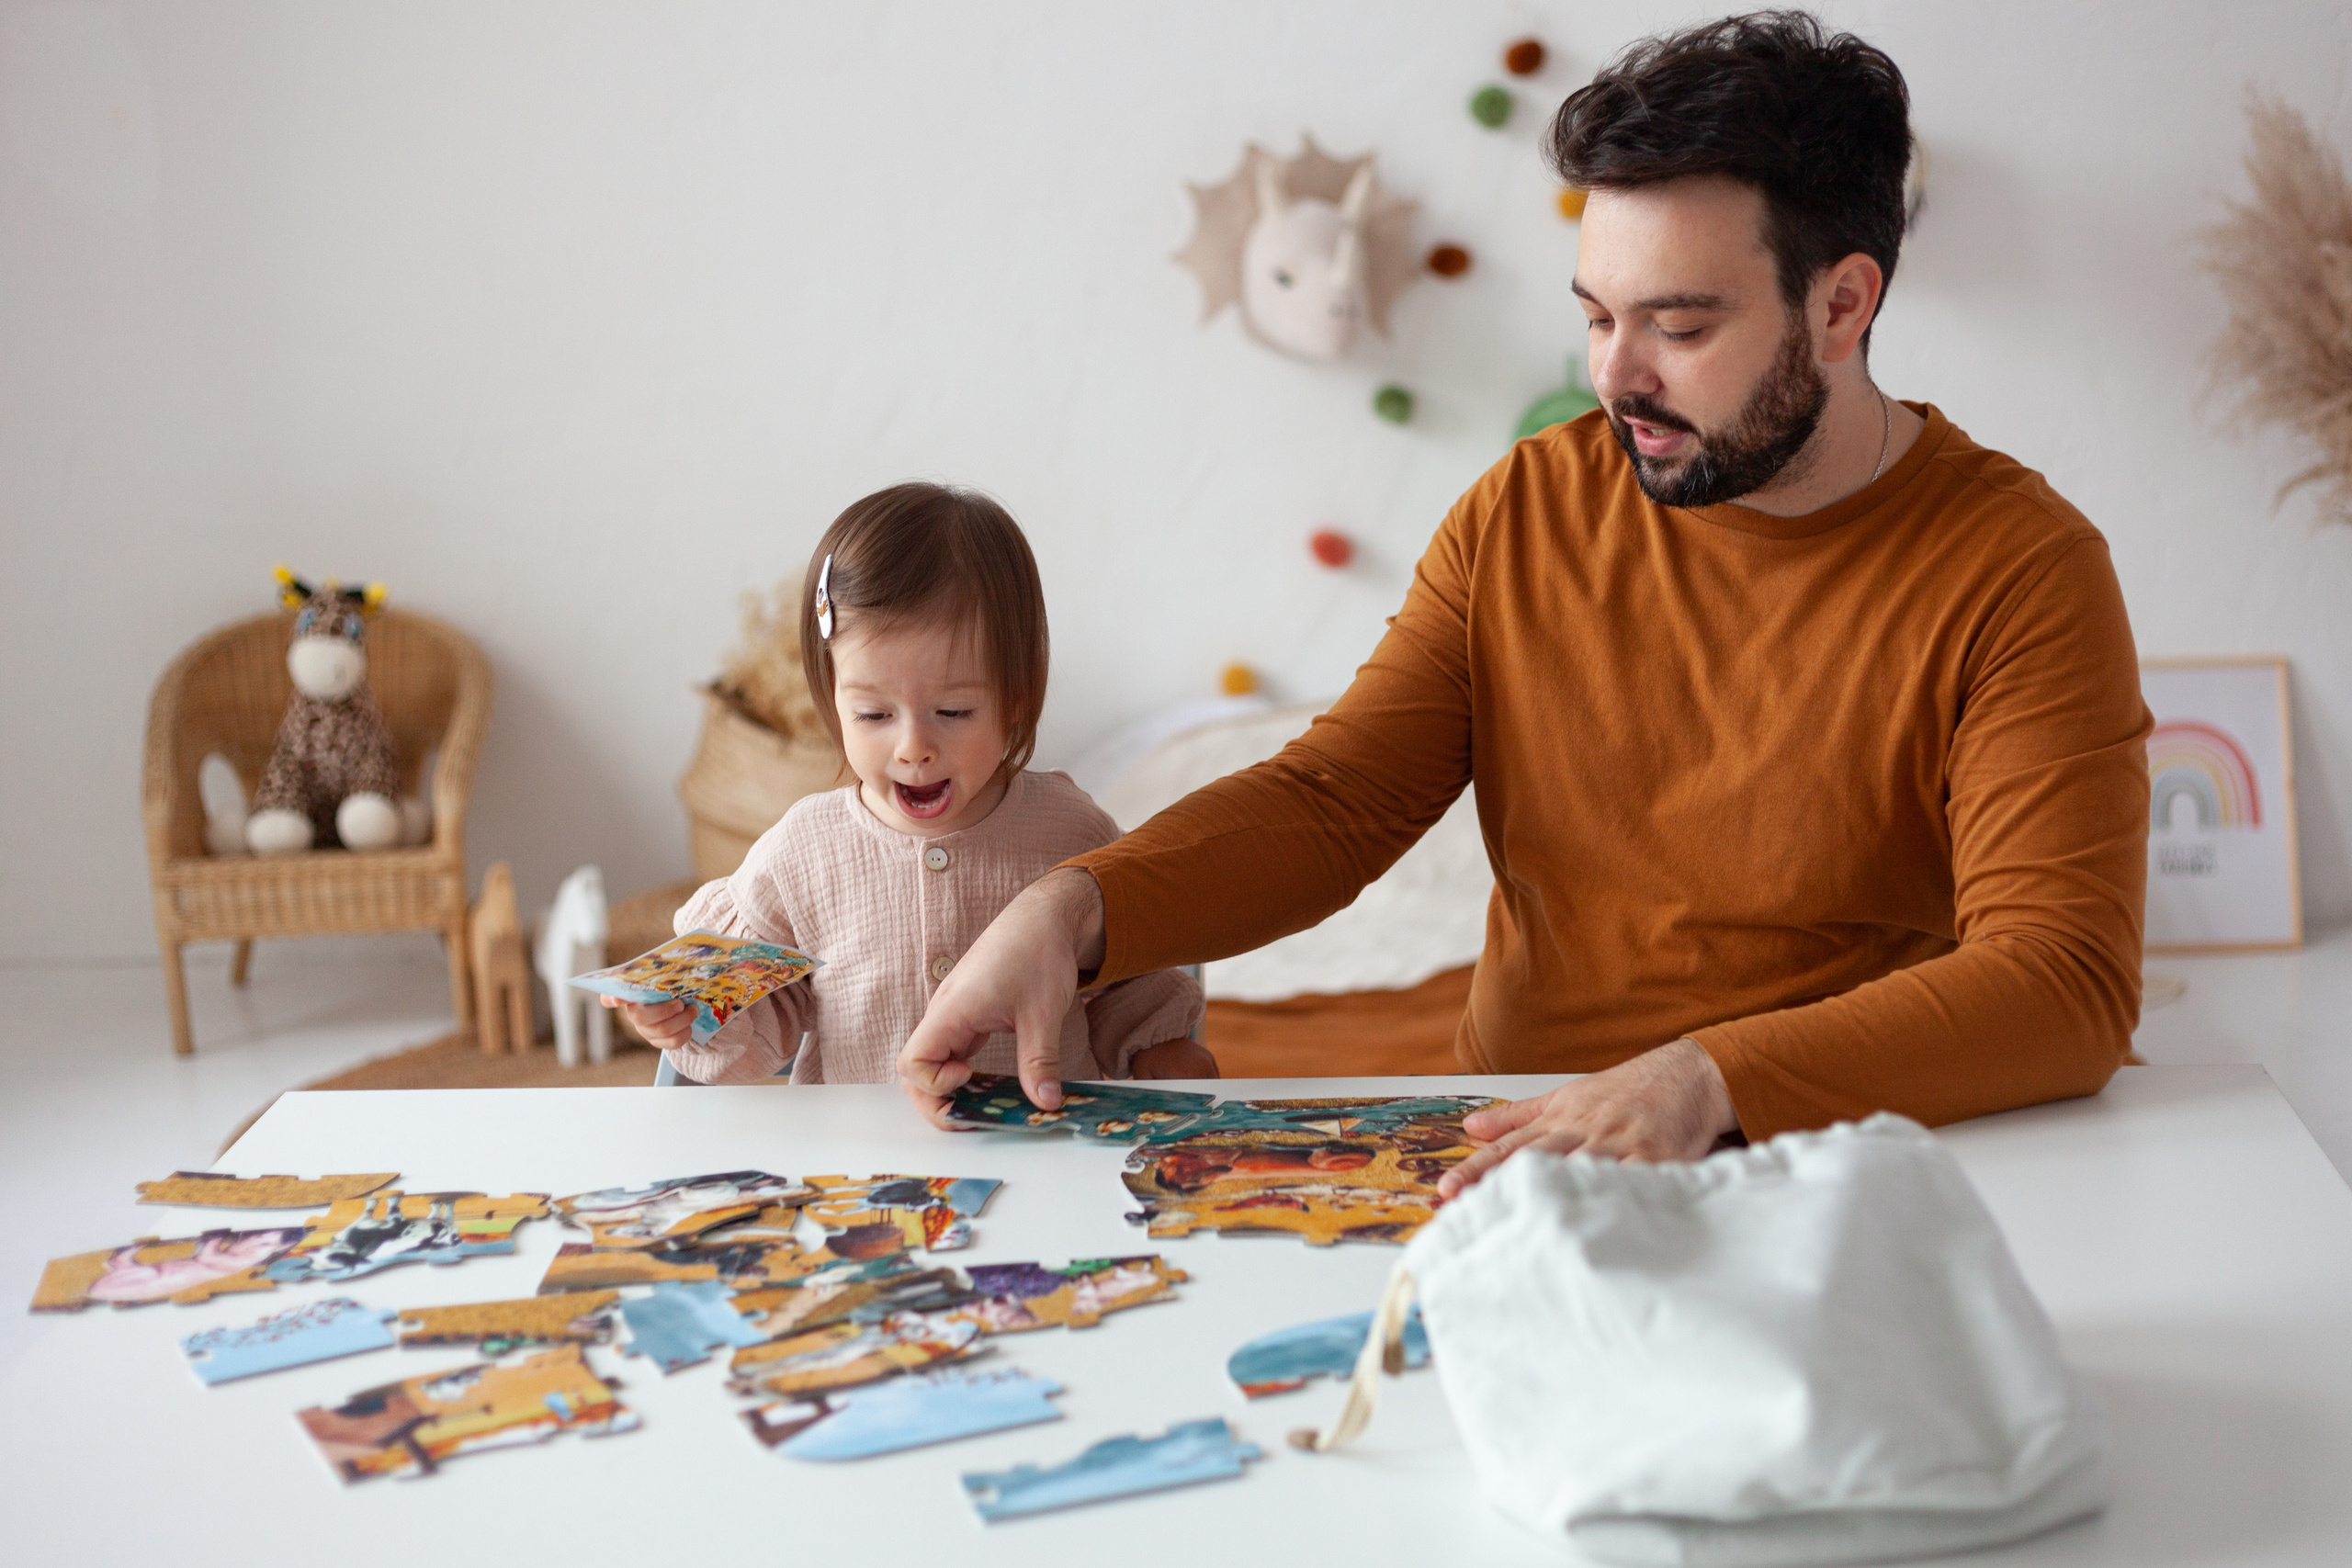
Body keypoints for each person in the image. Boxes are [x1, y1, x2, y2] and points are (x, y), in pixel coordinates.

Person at [899, 11, 2151, 1190]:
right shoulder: (1529, 508)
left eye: (1679, 323)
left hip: (1835, 1161)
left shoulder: (2022, 569)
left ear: (1840, 304)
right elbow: (1342, 797)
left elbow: (2063, 978)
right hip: (1521, 1147)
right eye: (1598, 315)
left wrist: (1706, 1075)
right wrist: (1074, 908)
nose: (1616, 375)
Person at [606, 482, 1210, 1085]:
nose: (913, 747)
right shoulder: (802, 850)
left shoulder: (1070, 831)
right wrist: (693, 1020)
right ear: (831, 703)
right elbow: (757, 1025)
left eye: (953, 713)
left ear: (1016, 696)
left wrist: (1161, 1049)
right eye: (873, 715)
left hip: (1045, 1154)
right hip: (860, 1168)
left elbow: (1129, 986)